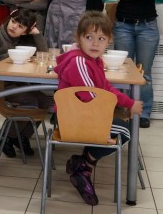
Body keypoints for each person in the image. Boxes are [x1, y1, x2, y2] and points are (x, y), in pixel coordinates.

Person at [54, 11, 143, 206]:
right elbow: (91, 97)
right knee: (124, 131)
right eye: (89, 37)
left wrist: (128, 103)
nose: (95, 43)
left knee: (119, 125)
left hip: (84, 115)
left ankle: (82, 166)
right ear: (78, 38)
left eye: (101, 38)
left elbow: (105, 89)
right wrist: (115, 112)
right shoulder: (79, 61)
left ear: (108, 41)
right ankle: (84, 165)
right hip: (73, 118)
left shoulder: (95, 61)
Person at [0, 8, 51, 158]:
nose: (14, 27)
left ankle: (21, 136)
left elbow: (44, 54)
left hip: (18, 86)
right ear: (8, 20)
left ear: (25, 31)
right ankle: (7, 134)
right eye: (13, 22)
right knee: (31, 101)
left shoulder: (21, 40)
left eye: (20, 27)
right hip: (1, 87)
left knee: (48, 101)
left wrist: (36, 33)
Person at [111, 0, 161, 128]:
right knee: (122, 71)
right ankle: (124, 110)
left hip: (147, 26)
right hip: (123, 25)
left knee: (144, 73)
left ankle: (144, 112)